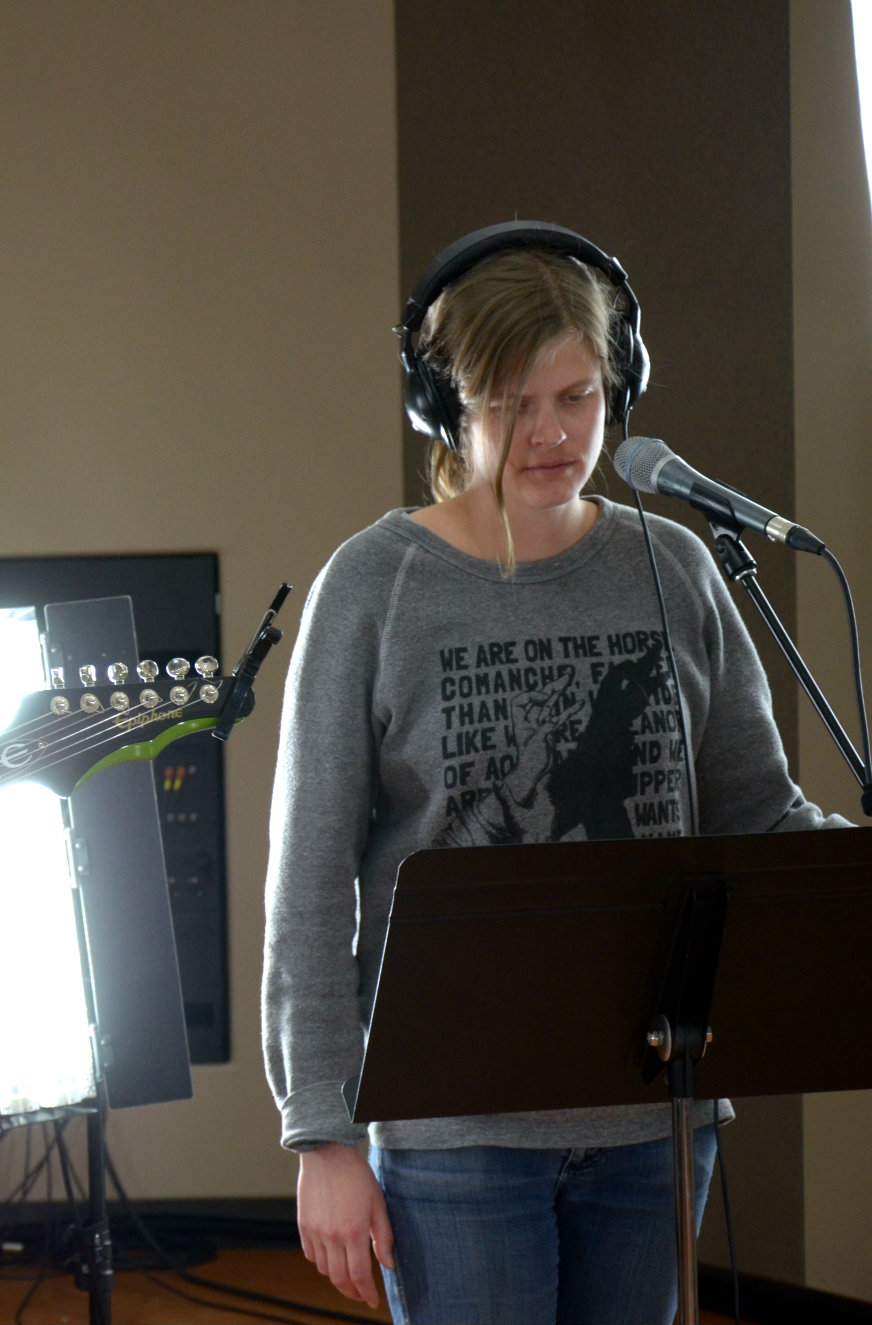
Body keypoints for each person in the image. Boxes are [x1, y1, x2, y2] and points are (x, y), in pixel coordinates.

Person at [261, 222, 843, 1324]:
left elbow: (757, 812)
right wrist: (320, 1133)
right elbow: (305, 879)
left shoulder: (671, 565)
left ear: (614, 388)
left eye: (574, 397)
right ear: (445, 407)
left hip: (649, 1120)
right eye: (508, 404)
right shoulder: (372, 587)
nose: (549, 434)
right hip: (451, 1133)